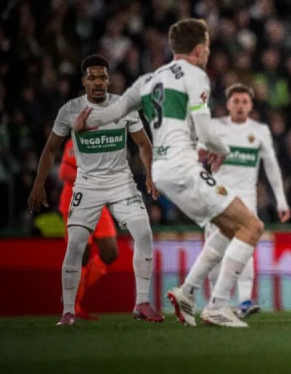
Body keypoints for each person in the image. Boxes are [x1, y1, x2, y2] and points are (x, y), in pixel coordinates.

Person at [75, 18, 264, 328]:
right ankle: (217, 306)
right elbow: (206, 130)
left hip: (162, 170)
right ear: (199, 50)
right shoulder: (195, 75)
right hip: (183, 167)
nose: (208, 53)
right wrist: (223, 149)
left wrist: (88, 121)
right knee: (252, 226)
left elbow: (114, 112)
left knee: (229, 228)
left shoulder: (149, 80)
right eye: (207, 47)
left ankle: (188, 292)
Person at [27, 55, 163, 326]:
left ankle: (141, 303)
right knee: (76, 245)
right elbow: (51, 148)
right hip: (87, 186)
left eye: (102, 77)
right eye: (92, 78)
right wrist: (38, 185)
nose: (98, 82)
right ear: (84, 81)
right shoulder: (70, 111)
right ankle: (68, 311)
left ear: (108, 80)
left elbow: (144, 143)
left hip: (120, 183)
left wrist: (150, 173)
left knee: (144, 233)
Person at [197, 82, 290, 319]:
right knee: (215, 254)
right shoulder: (215, 127)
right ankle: (217, 303)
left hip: (246, 199)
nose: (240, 106)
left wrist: (281, 200)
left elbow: (271, 165)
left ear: (251, 106)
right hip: (218, 198)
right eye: (236, 101)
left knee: (245, 250)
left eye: (244, 102)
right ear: (228, 105)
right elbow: (198, 155)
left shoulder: (260, 131)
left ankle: (245, 300)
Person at [58, 138, 119, 320]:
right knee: (82, 254)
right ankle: (73, 303)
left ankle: (73, 289)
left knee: (110, 252)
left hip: (98, 203)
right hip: (76, 202)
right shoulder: (78, 141)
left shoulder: (109, 141)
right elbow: (64, 171)